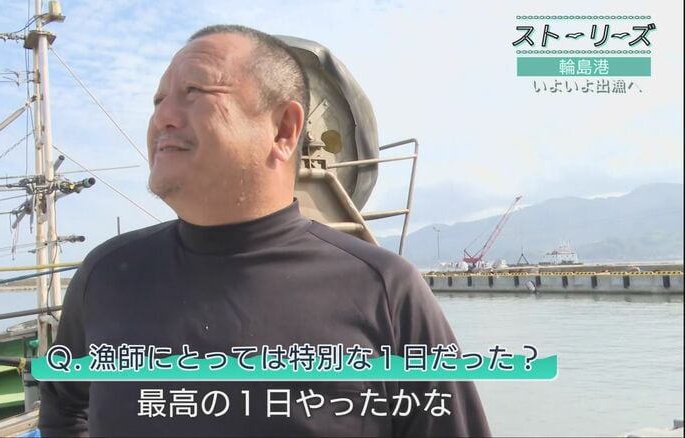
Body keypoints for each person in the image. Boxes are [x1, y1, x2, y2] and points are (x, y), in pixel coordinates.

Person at [38, 24, 491, 437]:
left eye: (194, 91)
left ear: (284, 129)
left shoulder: (386, 293)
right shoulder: (105, 276)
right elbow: (65, 407)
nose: (163, 118)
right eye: (158, 101)